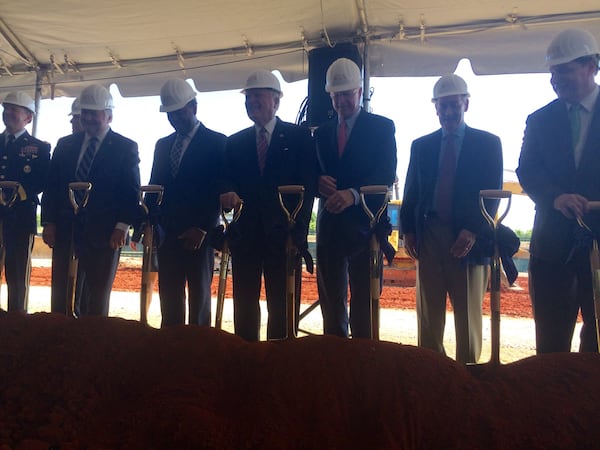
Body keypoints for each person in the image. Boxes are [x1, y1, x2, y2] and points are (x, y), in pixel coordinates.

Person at [400, 74, 503, 363]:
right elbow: (412, 191)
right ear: (435, 107)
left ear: (466, 104)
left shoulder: (488, 143)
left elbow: (492, 194)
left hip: (468, 238)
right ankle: (430, 370)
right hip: (429, 233)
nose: (447, 112)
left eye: (454, 105)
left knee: (467, 311)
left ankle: (468, 373)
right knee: (428, 310)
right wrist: (408, 230)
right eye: (442, 106)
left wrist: (472, 229)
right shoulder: (422, 146)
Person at [516, 28, 600, 354]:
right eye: (553, 72)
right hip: (552, 248)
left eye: (563, 69)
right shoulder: (539, 120)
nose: (556, 79)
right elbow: (528, 170)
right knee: (550, 345)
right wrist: (556, 197)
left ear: (591, 66)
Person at [219, 69, 316, 341]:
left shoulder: (299, 139)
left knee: (283, 307)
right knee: (244, 306)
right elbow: (226, 179)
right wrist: (227, 192)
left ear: (276, 101)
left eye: (257, 97)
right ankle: (246, 360)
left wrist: (297, 237)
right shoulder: (235, 143)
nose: (252, 103)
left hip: (284, 238)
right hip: (246, 238)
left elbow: (306, 191)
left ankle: (281, 362)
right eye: (248, 99)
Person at [315, 58, 397, 339]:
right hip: (330, 228)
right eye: (336, 95)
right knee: (331, 302)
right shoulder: (322, 132)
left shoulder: (382, 128)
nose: (341, 101)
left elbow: (385, 173)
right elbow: (312, 170)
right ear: (330, 95)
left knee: (364, 302)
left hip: (365, 228)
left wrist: (353, 195)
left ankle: (365, 360)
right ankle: (337, 361)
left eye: (347, 94)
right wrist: (317, 181)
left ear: (360, 92)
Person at [41, 84, 140, 316]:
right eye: (84, 112)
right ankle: (60, 341)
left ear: (109, 116)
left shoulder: (125, 148)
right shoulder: (65, 145)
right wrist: (49, 222)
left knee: (97, 298)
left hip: (105, 234)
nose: (88, 118)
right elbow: (52, 187)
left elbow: (130, 190)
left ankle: (93, 346)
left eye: (93, 113)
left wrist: (122, 226)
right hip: (67, 231)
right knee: (61, 294)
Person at [141, 78, 226, 327]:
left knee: (199, 298)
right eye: (170, 114)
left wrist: (203, 228)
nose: (174, 119)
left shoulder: (217, 142)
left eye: (179, 112)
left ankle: (199, 351)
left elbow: (218, 190)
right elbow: (155, 186)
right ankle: (171, 348)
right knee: (169, 297)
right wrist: (151, 222)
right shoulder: (162, 145)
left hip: (200, 234)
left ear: (194, 107)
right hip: (168, 233)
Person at [0, 92, 51, 312]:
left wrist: (19, 192)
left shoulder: (40, 148)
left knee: (17, 271)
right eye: (6, 108)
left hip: (20, 216)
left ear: (28, 117)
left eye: (15, 109)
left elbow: (44, 179)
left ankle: (17, 318)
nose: (8, 113)